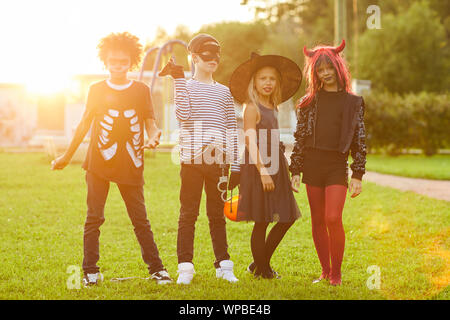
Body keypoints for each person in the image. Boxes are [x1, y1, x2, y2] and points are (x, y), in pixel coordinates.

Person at [51, 32, 172, 286]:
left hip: (131, 163)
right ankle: (90, 272)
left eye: (123, 62)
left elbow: (151, 124)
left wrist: (154, 136)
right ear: (105, 62)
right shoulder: (96, 89)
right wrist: (66, 155)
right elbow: (84, 125)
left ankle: (157, 269)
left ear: (132, 62)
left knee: (141, 220)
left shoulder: (141, 90)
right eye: (113, 61)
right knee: (94, 218)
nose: (118, 66)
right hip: (98, 164)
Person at [159, 34, 240, 284]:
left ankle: (223, 266)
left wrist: (235, 164)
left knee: (217, 215)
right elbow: (183, 114)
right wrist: (179, 80)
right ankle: (185, 267)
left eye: (217, 55)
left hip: (218, 162)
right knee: (188, 214)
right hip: (192, 162)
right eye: (206, 55)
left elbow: (230, 129)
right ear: (194, 58)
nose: (213, 59)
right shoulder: (185, 85)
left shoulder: (225, 93)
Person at [290, 40, 367, 286]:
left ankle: (337, 273)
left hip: (336, 165)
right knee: (318, 220)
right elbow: (300, 137)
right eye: (320, 69)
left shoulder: (353, 102)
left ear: (338, 67)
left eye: (329, 68)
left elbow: (359, 139)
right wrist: (296, 170)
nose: (325, 73)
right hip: (312, 165)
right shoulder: (308, 102)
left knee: (333, 218)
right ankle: (325, 270)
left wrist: (357, 174)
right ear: (315, 72)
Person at [228, 52, 302, 279]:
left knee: (286, 218)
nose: (268, 83)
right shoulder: (251, 107)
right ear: (254, 82)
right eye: (262, 78)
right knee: (261, 220)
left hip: (277, 165)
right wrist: (263, 173)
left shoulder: (274, 106)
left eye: (272, 78)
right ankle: (264, 270)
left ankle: (258, 264)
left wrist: (286, 170)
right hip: (259, 167)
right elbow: (250, 140)